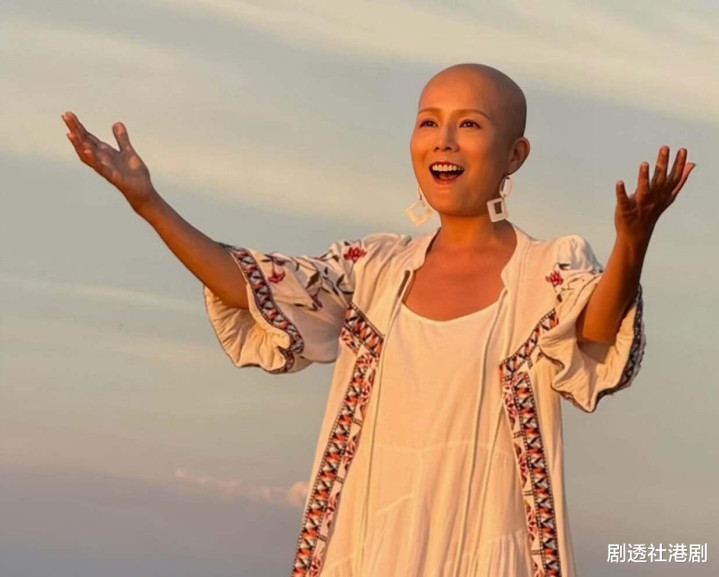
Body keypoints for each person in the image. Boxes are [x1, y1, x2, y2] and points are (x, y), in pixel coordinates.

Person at [62, 62, 695, 577]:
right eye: (429, 122)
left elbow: (594, 334)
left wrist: (632, 245)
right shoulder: (371, 270)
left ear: (515, 153)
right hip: (367, 547)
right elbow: (253, 286)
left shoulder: (545, 270)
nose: (444, 140)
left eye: (470, 124)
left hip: (489, 550)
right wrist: (149, 204)